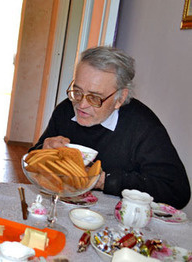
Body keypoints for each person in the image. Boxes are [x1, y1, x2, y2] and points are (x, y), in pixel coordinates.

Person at [29, 46, 190, 209]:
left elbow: (177, 191)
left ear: (120, 98)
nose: (81, 104)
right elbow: (31, 162)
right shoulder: (65, 110)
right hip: (63, 207)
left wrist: (104, 180)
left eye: (95, 97)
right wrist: (43, 151)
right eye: (77, 91)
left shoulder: (143, 126)